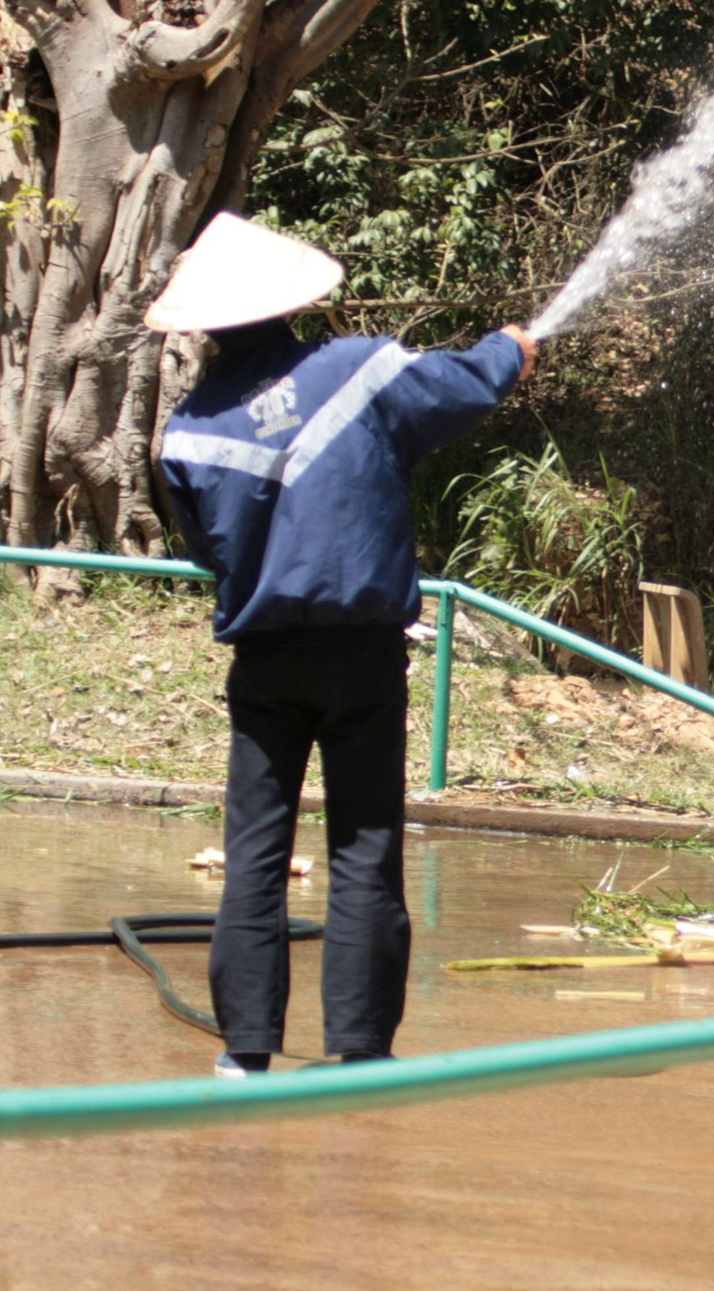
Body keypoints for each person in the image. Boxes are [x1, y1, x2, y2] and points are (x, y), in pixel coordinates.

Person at [148, 213, 539, 1076]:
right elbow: (462, 385)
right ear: (292, 302)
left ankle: (245, 1052)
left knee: (254, 851)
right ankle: (359, 1051)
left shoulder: (187, 429)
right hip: (364, 658)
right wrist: (511, 346)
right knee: (364, 846)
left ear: (206, 323)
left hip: (265, 663)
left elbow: (205, 547)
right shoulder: (358, 368)